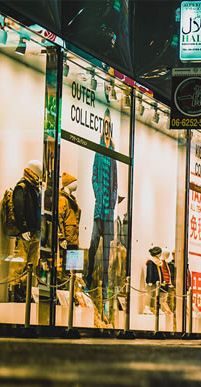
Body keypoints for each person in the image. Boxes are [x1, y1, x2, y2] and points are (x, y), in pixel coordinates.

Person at [86, 108, 119, 305]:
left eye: (109, 124)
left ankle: (105, 287)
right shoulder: (99, 151)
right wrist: (99, 197)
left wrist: (112, 202)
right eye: (104, 124)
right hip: (100, 209)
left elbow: (116, 182)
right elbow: (94, 177)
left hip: (109, 210)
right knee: (93, 244)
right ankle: (88, 278)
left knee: (107, 251)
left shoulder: (113, 153)